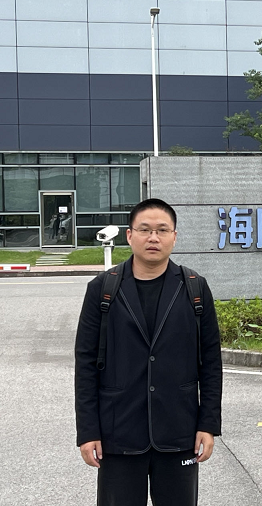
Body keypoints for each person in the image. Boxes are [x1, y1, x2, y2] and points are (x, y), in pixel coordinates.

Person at [75, 198, 223, 506]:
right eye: (145, 230)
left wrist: (207, 425)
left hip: (178, 430)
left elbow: (210, 363)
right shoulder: (102, 289)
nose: (153, 238)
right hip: (118, 432)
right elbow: (85, 365)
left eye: (162, 230)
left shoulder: (195, 288)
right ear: (130, 236)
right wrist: (88, 431)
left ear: (174, 237)